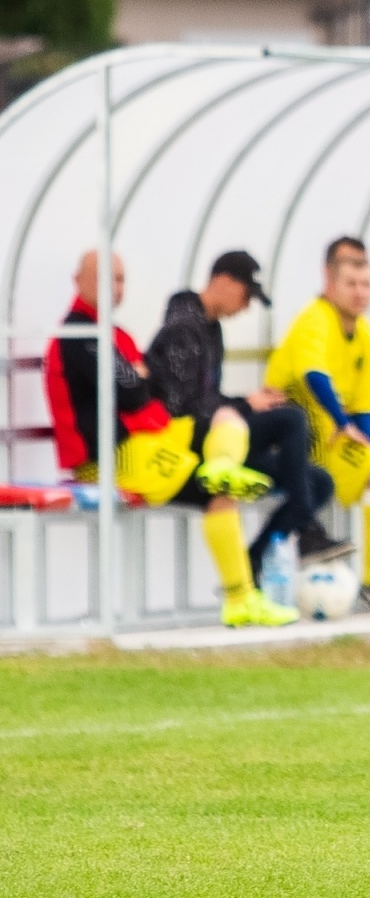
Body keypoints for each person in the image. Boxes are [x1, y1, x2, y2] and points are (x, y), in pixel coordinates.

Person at [43, 250, 298, 627]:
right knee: (219, 483)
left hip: (143, 445)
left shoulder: (112, 333)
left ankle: (223, 470)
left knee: (225, 422)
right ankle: (240, 598)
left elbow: (141, 385)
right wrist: (137, 375)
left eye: (120, 279)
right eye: (105, 278)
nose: (115, 288)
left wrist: (138, 375)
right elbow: (132, 391)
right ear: (77, 280)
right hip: (109, 460)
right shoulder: (80, 334)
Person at [145, 250, 353, 582]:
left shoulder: (211, 329)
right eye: (246, 296)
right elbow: (182, 408)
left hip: (218, 439)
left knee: (319, 483)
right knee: (290, 420)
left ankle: (255, 557)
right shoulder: (183, 329)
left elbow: (207, 399)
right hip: (185, 445)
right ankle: (305, 526)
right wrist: (245, 405)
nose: (246, 307)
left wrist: (248, 403)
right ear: (224, 282)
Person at [264, 237, 370, 613]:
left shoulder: (364, 331)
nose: (359, 293)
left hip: (344, 437)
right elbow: (315, 376)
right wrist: (345, 423)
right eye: (351, 284)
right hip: (311, 444)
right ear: (331, 286)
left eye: (366, 285)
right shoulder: (315, 319)